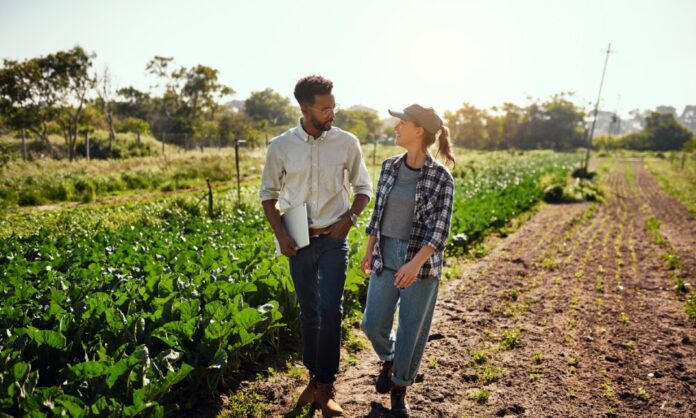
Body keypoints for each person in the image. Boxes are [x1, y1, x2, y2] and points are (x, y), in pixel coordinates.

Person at [260, 75, 372, 416]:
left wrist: (348, 221)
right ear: (305, 109)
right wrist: (282, 236)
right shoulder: (280, 147)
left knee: (330, 310)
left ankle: (326, 385)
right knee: (308, 312)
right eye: (325, 109)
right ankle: (312, 379)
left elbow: (363, 189)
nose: (331, 114)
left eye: (333, 107)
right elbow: (268, 196)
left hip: (334, 240)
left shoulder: (347, 143)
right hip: (300, 240)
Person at [360, 104, 455, 417]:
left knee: (412, 330)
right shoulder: (389, 166)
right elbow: (377, 212)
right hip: (386, 254)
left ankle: (400, 387)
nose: (396, 127)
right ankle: (390, 358)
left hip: (421, 262)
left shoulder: (442, 178)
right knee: (372, 324)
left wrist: (415, 263)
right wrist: (369, 247)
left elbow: (440, 229)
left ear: (419, 131)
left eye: (402, 123)